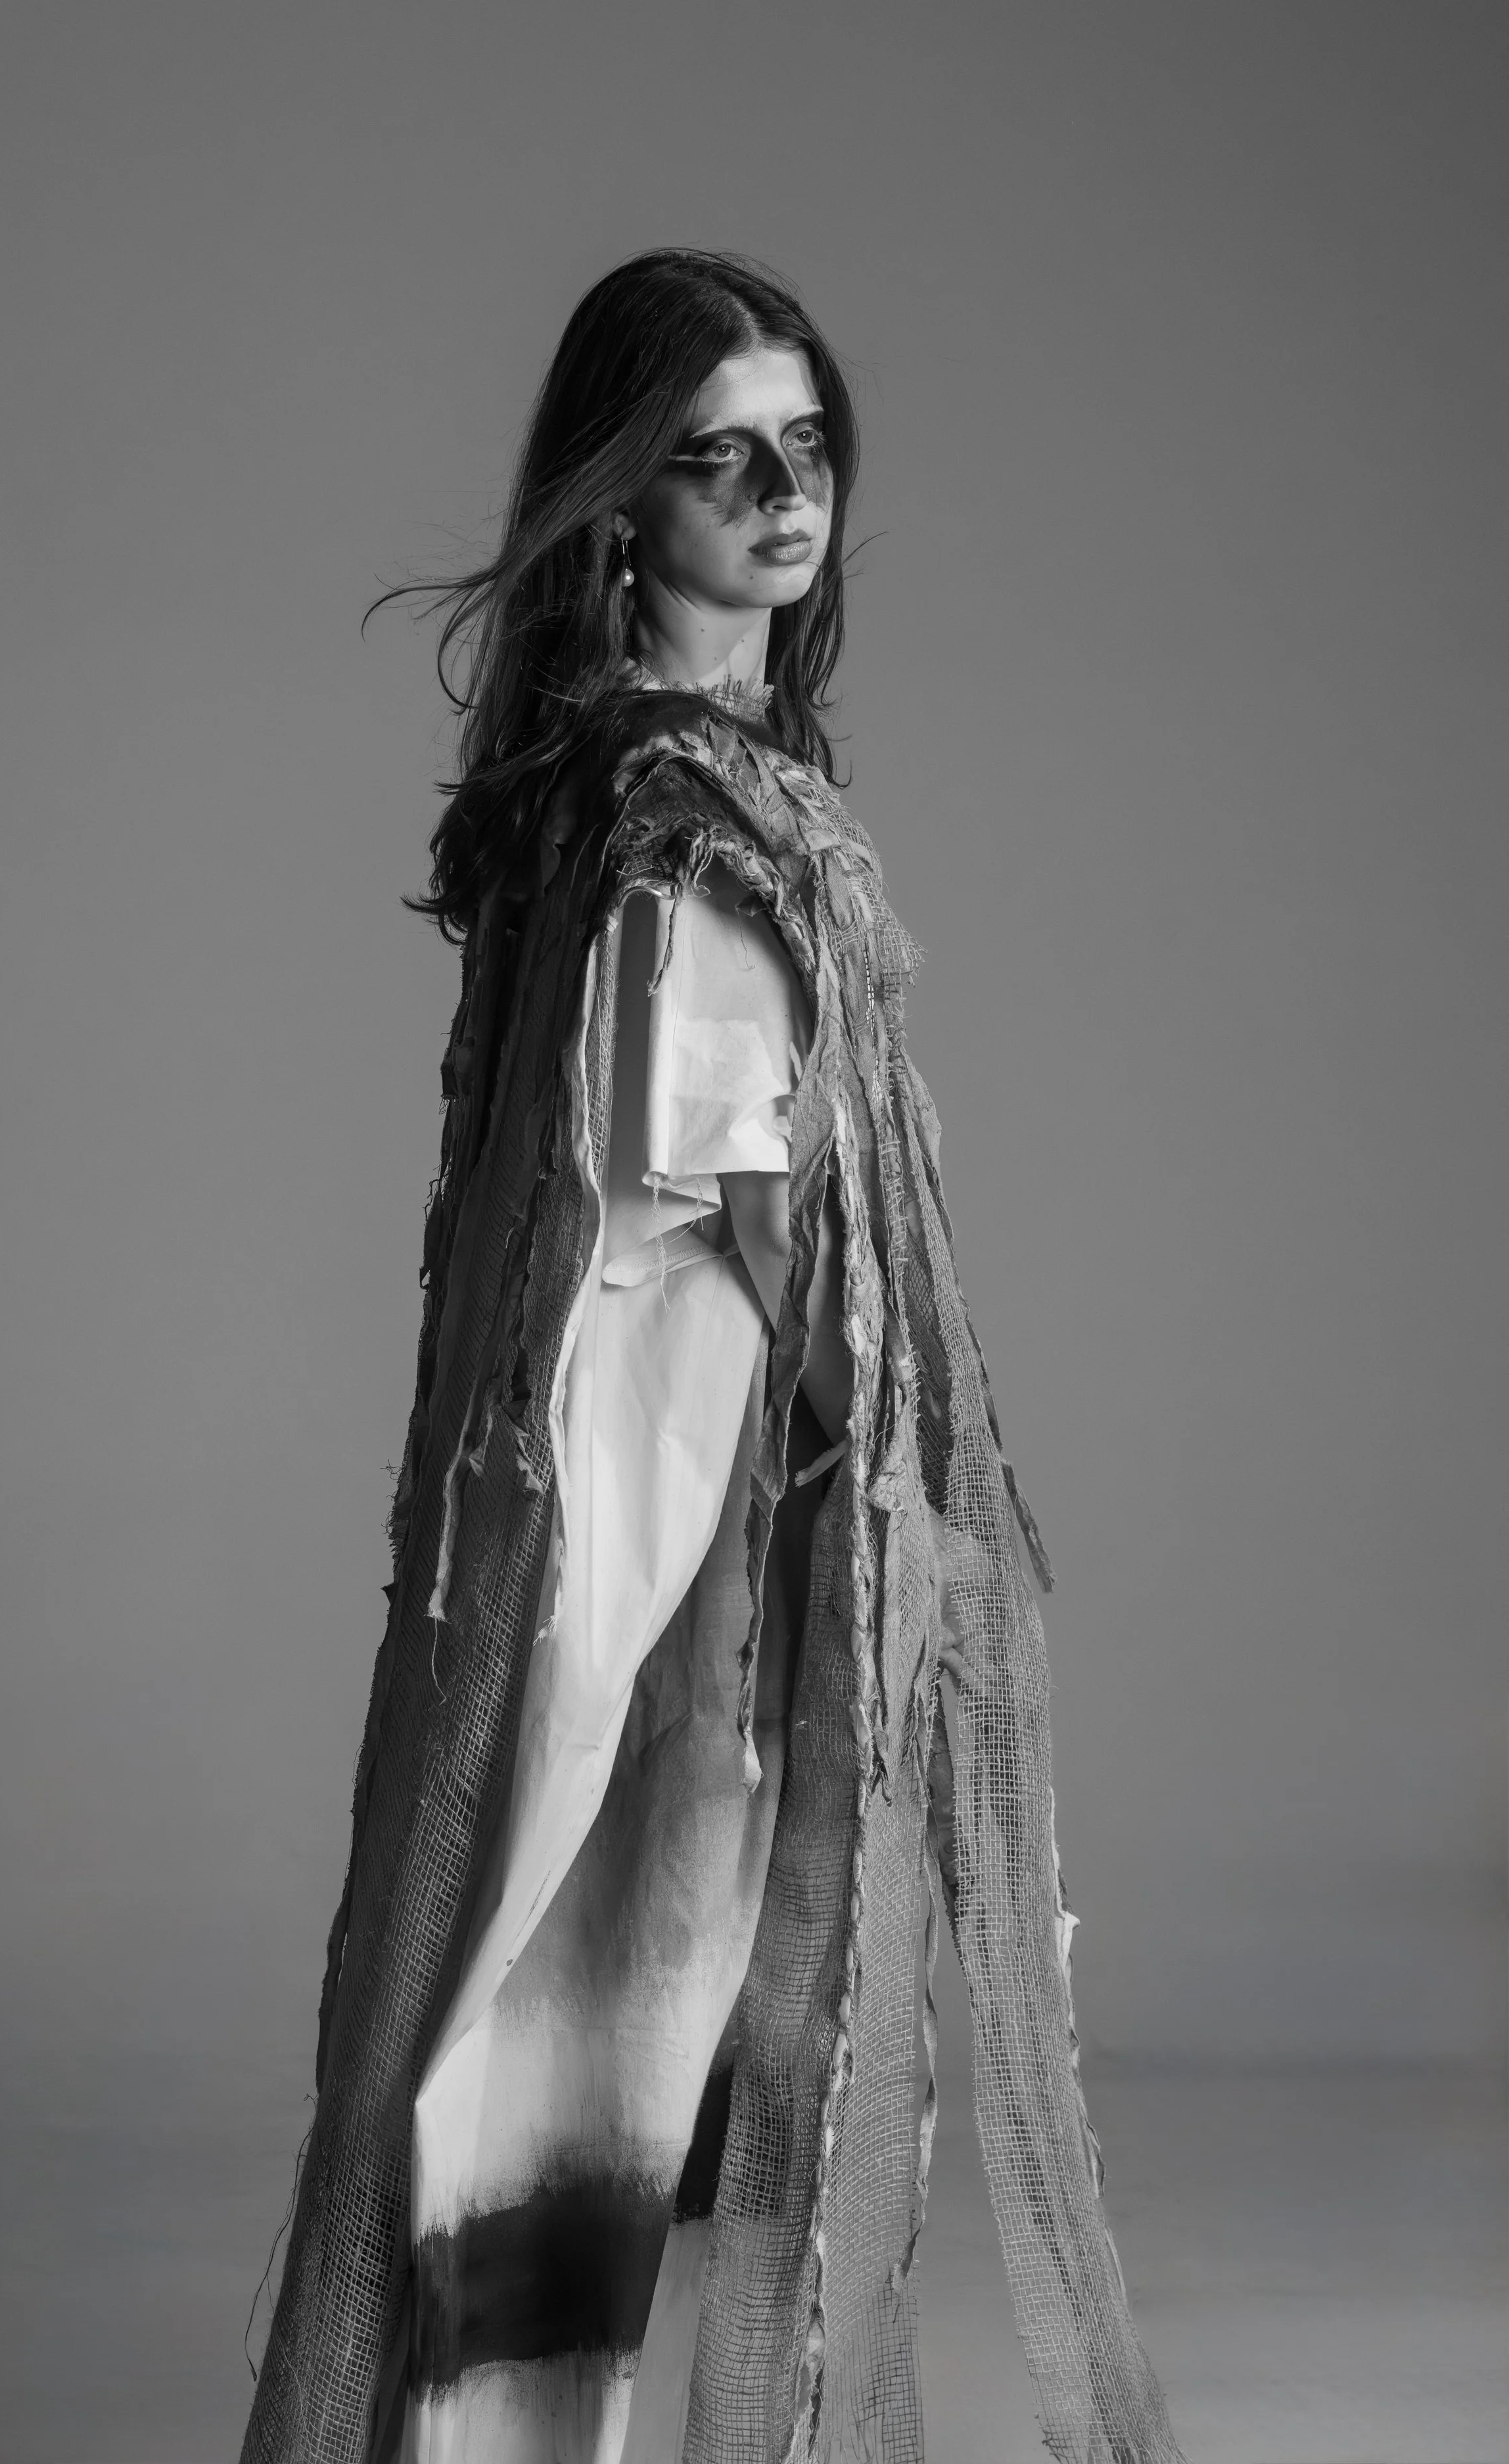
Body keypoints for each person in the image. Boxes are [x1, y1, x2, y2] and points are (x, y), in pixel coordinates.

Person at [241, 249, 1184, 2464]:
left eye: (808, 445)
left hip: (674, 1478)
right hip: (679, 1493)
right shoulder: (674, 803)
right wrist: (901, 1469)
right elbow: (734, 1172)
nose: (781, 494)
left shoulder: (661, 777)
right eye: (714, 454)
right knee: (572, 2010)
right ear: (616, 503)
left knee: (599, 2017)